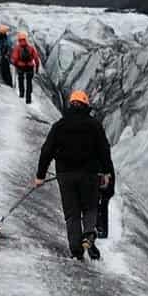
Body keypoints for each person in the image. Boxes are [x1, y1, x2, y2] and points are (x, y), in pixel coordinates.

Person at [34, 90, 113, 260]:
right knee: (90, 207)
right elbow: (104, 150)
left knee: (72, 213)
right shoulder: (94, 125)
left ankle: (76, 251)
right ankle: (89, 233)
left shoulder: (60, 125)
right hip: (89, 174)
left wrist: (40, 175)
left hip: (65, 175)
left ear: (70, 105)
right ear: (86, 105)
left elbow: (47, 150)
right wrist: (107, 172)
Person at [11, 31, 42, 104]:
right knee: (29, 82)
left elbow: (14, 59)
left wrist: (15, 64)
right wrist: (37, 68)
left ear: (19, 40)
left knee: (20, 80)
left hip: (21, 67)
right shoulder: (31, 48)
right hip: (30, 67)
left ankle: (21, 94)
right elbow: (36, 59)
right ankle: (28, 98)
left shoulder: (17, 48)